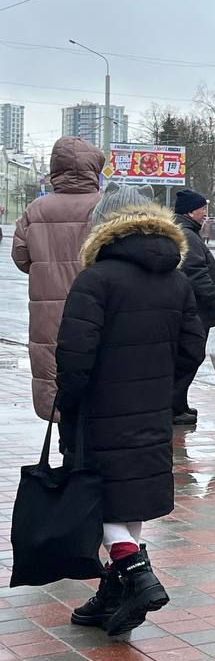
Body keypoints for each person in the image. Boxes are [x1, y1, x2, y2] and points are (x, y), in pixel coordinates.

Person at [56, 187, 206, 637]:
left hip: (101, 409)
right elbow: (192, 348)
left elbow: (74, 354)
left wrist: (70, 400)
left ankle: (137, 574)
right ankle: (114, 593)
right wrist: (162, 386)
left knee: (95, 493)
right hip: (152, 409)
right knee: (131, 495)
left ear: (103, 226)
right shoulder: (176, 280)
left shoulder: (96, 280)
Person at [11, 136, 104, 437]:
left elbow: (21, 258)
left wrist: (47, 267)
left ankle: (68, 456)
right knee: (99, 375)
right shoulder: (105, 207)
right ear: (94, 168)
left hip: (49, 314)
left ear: (55, 169)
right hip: (98, 308)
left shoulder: (36, 210)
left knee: (58, 379)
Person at [173, 189, 215, 425]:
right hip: (194, 310)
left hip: (192, 309)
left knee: (187, 356)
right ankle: (174, 408)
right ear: (190, 211)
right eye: (202, 209)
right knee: (189, 357)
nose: (205, 214)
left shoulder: (185, 232)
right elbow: (197, 275)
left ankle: (179, 405)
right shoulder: (187, 235)